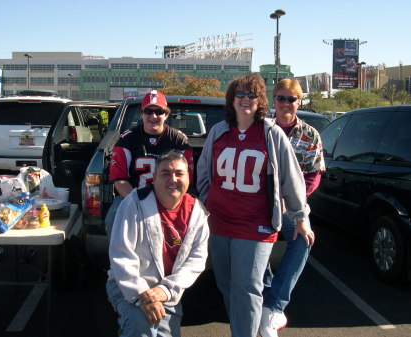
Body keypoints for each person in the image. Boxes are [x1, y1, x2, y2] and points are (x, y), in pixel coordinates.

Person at [197, 73, 309, 337]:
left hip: (256, 225)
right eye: (240, 94)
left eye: (252, 95)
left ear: (259, 101)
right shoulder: (218, 131)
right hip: (219, 224)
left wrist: (300, 216)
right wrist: (205, 205)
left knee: (247, 289)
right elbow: (204, 174)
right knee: (227, 286)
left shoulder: (272, 134)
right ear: (231, 99)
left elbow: (291, 178)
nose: (246, 99)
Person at [106, 151, 209, 337]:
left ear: (188, 177)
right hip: (127, 285)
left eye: (179, 173)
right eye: (165, 173)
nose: (173, 179)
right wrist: (142, 295)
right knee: (141, 327)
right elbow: (121, 254)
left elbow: (197, 260)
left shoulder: (197, 211)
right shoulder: (134, 203)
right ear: (153, 178)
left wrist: (165, 290)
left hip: (167, 291)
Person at [259, 78, 325, 337]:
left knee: (303, 240)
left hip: (291, 207)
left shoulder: (309, 135)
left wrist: (291, 203)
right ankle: (265, 294)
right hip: (259, 203)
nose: (286, 104)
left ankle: (274, 305)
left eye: (292, 99)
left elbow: (313, 176)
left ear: (299, 102)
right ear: (273, 101)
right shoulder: (260, 128)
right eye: (281, 98)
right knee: (260, 237)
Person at [105, 90, 194, 241]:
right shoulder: (127, 139)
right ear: (141, 113)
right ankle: (119, 260)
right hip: (133, 195)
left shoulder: (179, 140)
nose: (153, 116)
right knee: (113, 218)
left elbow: (185, 179)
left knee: (191, 221)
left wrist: (166, 203)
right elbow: (119, 179)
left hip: (170, 195)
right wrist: (139, 203)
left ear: (166, 114)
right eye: (148, 111)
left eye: (159, 111)